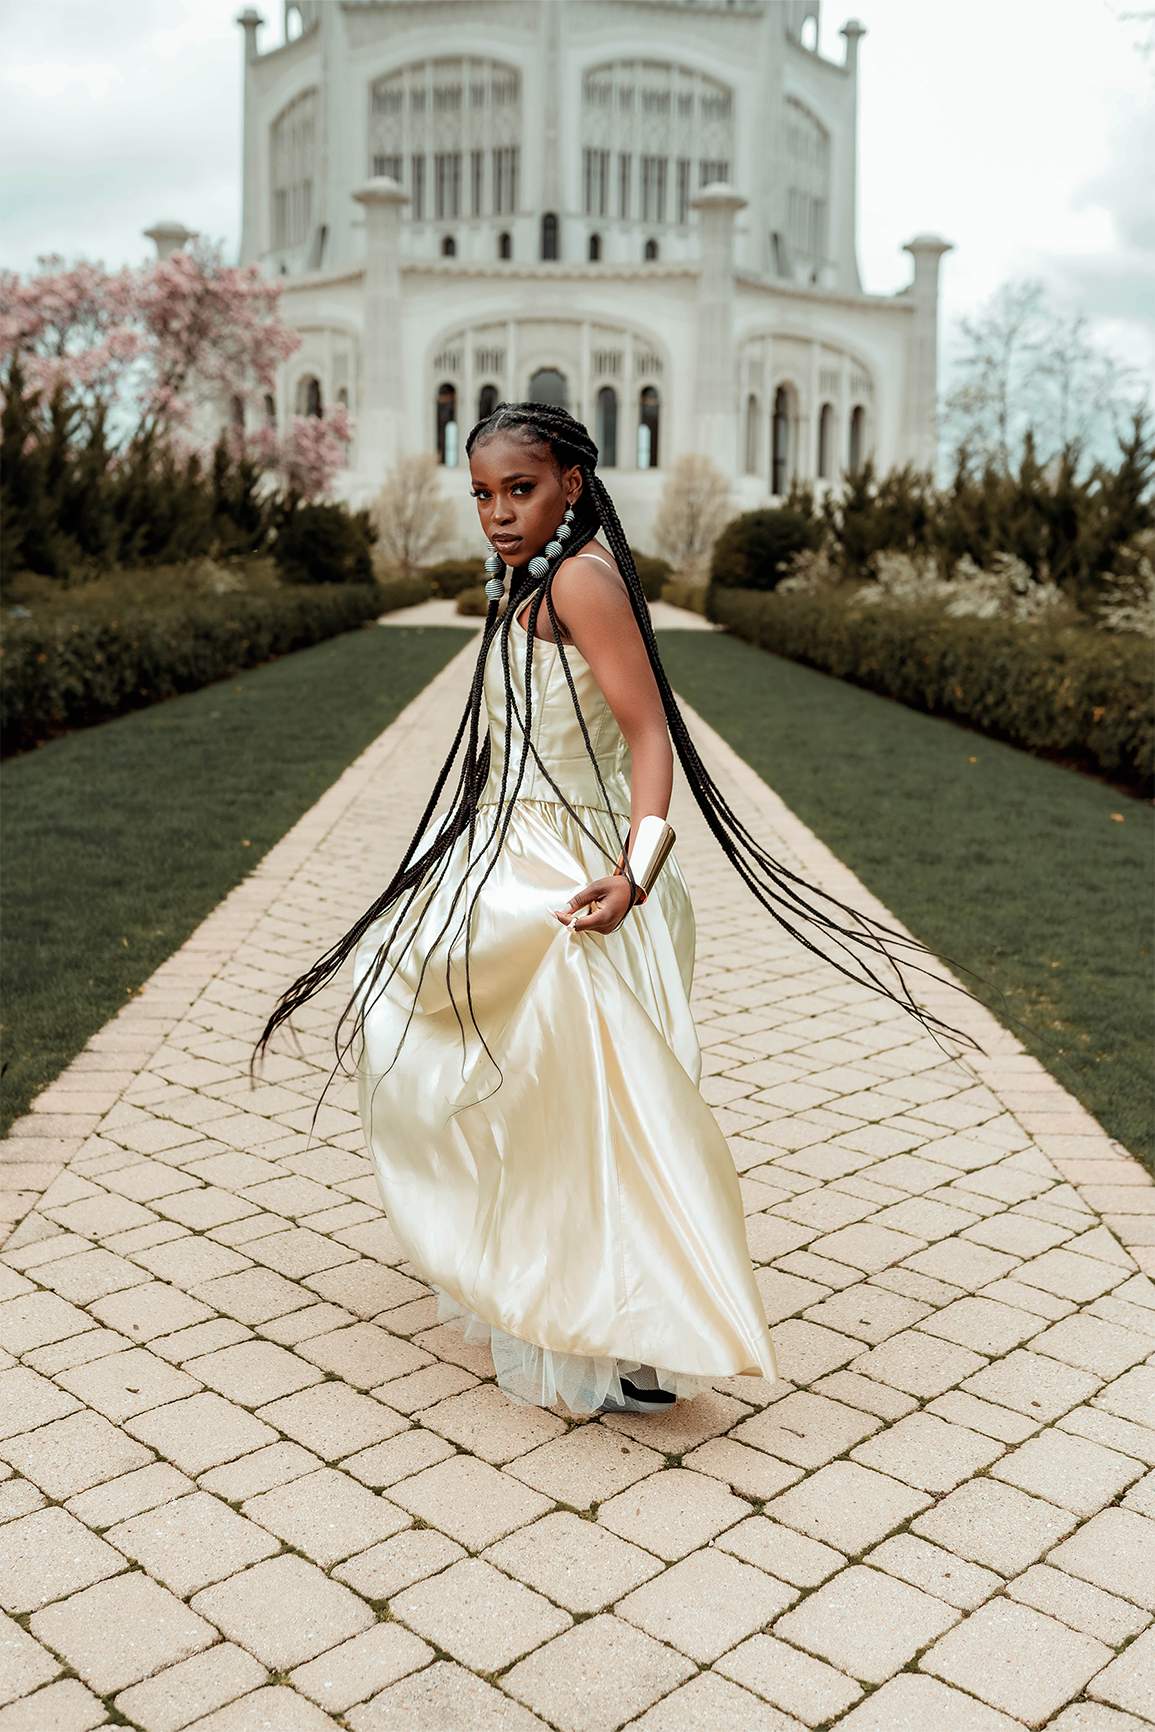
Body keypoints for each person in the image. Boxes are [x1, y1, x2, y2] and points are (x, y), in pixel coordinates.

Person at [257, 402, 961, 1416]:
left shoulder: (582, 581)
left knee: (589, 1103)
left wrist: (633, 875)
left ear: (572, 485)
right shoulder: (527, 580)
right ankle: (543, 1277)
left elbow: (648, 736)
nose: (499, 514)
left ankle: (626, 1327)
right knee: (504, 1077)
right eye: (483, 495)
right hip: (503, 845)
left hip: (572, 875)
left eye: (521, 489)